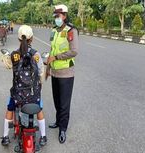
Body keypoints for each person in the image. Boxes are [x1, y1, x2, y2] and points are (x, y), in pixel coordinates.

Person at [1, 25, 47, 146]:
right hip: (33, 94)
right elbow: (41, 72)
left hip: (17, 94)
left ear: (19, 39)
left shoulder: (14, 55)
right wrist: (38, 85)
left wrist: (5, 58)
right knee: (40, 109)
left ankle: (5, 137)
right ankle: (43, 136)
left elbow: (8, 66)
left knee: (9, 108)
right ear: (31, 39)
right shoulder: (36, 55)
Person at [46, 4, 79, 144]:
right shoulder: (54, 30)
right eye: (55, 16)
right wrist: (48, 69)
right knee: (57, 100)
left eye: (58, 16)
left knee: (64, 104)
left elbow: (74, 51)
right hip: (54, 72)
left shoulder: (71, 30)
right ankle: (58, 122)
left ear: (64, 16)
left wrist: (57, 57)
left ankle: (63, 129)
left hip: (66, 73)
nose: (56, 18)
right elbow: (51, 50)